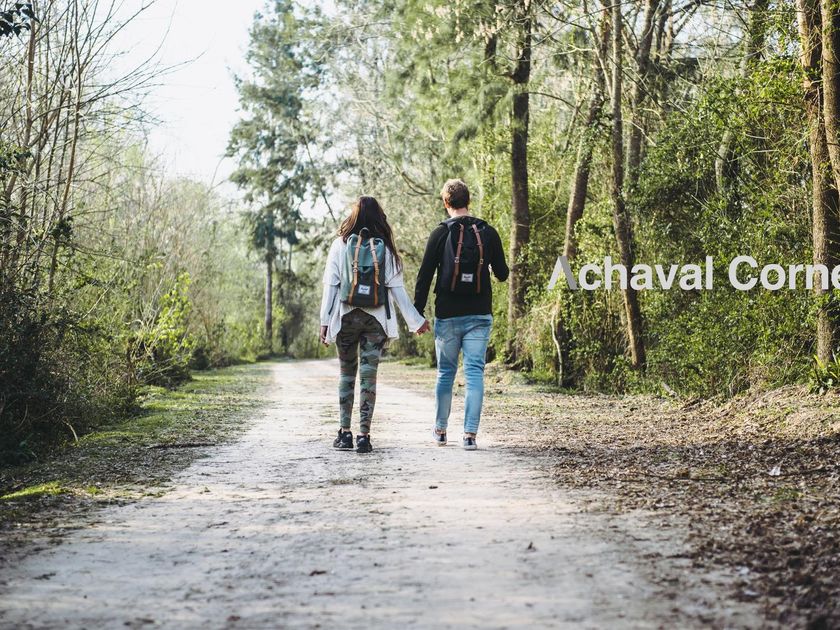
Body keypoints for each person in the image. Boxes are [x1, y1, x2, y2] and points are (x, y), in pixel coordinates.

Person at [320, 196, 430, 453]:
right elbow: (398, 292)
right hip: (375, 321)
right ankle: (363, 436)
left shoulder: (340, 245)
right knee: (369, 377)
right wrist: (416, 321)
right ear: (379, 217)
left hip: (345, 318)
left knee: (346, 374)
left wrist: (325, 322)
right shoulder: (385, 249)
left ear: (353, 216)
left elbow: (331, 287)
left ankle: (344, 433)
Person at [414, 179, 509, 450]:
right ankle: (469, 436)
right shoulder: (487, 232)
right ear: (469, 201)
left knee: (445, 372)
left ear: (446, 203)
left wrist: (417, 315)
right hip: (479, 314)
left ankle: (440, 431)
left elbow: (424, 277)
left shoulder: (440, 233)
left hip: (447, 314)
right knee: (475, 373)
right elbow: (503, 274)